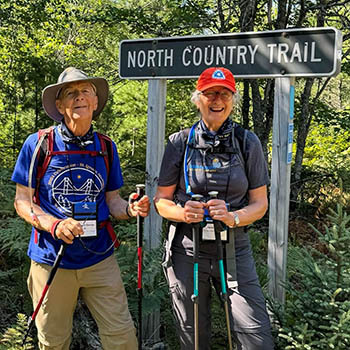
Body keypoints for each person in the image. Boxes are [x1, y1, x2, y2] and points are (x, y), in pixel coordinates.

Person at [12, 67, 150, 350]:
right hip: (52, 257)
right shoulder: (39, 144)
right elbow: (23, 201)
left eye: (86, 91)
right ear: (59, 105)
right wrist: (55, 224)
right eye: (70, 93)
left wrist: (131, 209)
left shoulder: (107, 148)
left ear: (96, 102)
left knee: (122, 335)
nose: (80, 98)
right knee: (53, 341)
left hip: (99, 256)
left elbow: (113, 201)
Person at [154, 67, 274, 349]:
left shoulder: (247, 142)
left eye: (224, 93)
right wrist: (183, 212)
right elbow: (162, 201)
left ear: (233, 99)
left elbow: (260, 203)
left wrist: (233, 216)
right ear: (198, 99)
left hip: (234, 249)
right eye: (210, 93)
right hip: (187, 248)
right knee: (193, 338)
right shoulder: (179, 142)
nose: (217, 100)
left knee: (256, 336)